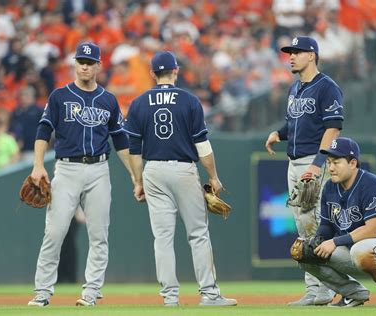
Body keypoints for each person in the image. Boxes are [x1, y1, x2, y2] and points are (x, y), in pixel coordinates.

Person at [125, 51, 237, 307]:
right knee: (197, 233)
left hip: (153, 170)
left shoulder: (140, 103)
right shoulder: (189, 100)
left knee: (162, 237)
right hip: (183, 168)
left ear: (153, 73)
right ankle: (208, 294)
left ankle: (170, 298)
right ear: (175, 70)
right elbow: (203, 145)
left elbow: (134, 149)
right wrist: (213, 176)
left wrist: (138, 181)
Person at [27, 42, 134, 307]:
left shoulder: (108, 100)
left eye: (90, 62)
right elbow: (43, 131)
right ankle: (42, 292)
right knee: (54, 232)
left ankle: (91, 292)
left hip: (99, 169)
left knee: (99, 234)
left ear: (98, 65)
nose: (85, 65)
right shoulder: (59, 96)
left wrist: (135, 174)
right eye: (81, 61)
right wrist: (38, 165)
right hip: (67, 168)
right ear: (75, 63)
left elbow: (121, 142)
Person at [265, 36, 343, 306]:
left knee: (314, 225)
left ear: (312, 55)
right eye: (290, 52)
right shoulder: (295, 89)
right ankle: (316, 290)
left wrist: (318, 164)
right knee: (303, 227)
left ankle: (325, 289)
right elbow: (294, 125)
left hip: (314, 160)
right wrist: (278, 133)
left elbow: (333, 128)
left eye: (297, 52)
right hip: (294, 161)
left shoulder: (327, 87)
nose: (291, 56)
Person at [301, 137, 376, 308]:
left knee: (361, 250)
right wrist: (317, 241)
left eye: (336, 162)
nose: (330, 167)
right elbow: (327, 225)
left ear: (352, 163)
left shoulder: (371, 184)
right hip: (354, 249)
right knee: (306, 255)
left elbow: (373, 230)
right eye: (328, 162)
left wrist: (335, 242)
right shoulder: (329, 187)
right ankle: (353, 294)